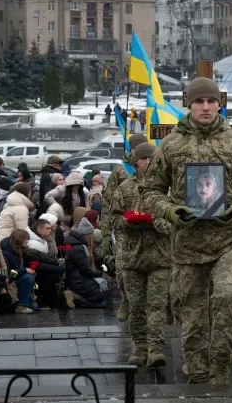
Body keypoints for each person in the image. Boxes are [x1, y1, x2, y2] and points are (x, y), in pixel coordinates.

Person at [140, 77, 232, 384]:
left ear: (219, 104)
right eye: (199, 102)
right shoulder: (171, 144)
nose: (206, 107)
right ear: (190, 104)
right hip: (188, 244)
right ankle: (197, 371)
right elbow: (149, 191)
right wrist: (171, 211)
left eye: (211, 101)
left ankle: (222, 366)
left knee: (226, 296)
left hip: (230, 239)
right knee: (193, 313)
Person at [110, 142, 171, 367]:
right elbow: (114, 218)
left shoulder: (168, 189)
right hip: (132, 256)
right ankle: (140, 347)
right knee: (136, 305)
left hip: (160, 256)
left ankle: (155, 348)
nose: (146, 163)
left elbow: (175, 224)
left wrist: (153, 221)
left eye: (150, 159)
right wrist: (128, 220)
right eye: (142, 159)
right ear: (135, 162)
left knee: (156, 304)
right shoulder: (125, 188)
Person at [101, 132, 148, 322]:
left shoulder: (155, 168)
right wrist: (105, 232)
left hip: (150, 226)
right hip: (125, 227)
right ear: (132, 149)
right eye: (138, 149)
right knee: (122, 268)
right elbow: (108, 203)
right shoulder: (121, 171)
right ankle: (126, 300)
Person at [0, 229, 37, 314]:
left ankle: (27, 299)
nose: (28, 241)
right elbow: (8, 273)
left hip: (17, 278)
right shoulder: (6, 252)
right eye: (26, 238)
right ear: (19, 239)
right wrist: (24, 269)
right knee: (28, 276)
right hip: (11, 281)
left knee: (35, 306)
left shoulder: (21, 250)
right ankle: (22, 305)